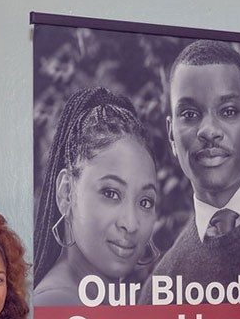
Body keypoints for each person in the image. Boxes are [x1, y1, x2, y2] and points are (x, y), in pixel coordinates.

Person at [139, 39, 240, 304]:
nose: (209, 131)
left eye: (228, 111)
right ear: (171, 135)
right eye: (190, 115)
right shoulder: (160, 290)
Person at [33, 86, 159, 306]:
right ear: (66, 193)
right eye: (110, 193)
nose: (130, 224)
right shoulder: (58, 303)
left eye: (145, 201)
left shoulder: (94, 301)